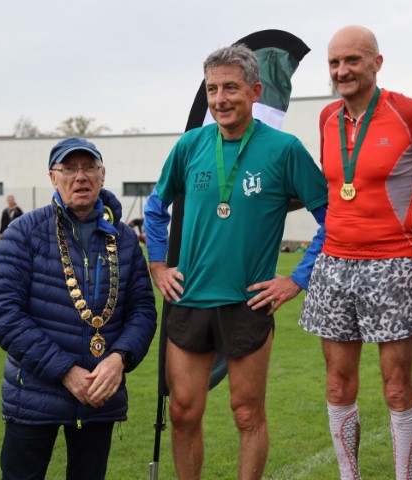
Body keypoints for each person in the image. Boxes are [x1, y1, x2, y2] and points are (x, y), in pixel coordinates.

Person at [143, 44, 328, 480]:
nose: (220, 99)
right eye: (212, 89)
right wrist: (158, 266)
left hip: (249, 302)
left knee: (247, 414)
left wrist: (296, 280)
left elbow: (332, 220)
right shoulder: (190, 145)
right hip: (189, 297)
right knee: (183, 411)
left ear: (255, 91)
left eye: (231, 87)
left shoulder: (285, 149)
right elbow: (155, 208)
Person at [298, 25, 412, 480]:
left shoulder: (411, 113)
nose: (342, 71)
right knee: (337, 384)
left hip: (391, 263)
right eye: (334, 62)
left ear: (377, 63)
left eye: (353, 60)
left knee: (397, 387)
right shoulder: (326, 117)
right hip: (333, 263)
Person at [0, 136, 157, 480]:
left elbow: (142, 310)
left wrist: (119, 359)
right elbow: (3, 314)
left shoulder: (124, 239)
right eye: (69, 169)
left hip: (99, 394)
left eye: (89, 167)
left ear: (102, 175)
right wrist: (65, 370)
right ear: (53, 177)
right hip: (33, 395)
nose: (81, 177)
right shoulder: (24, 232)